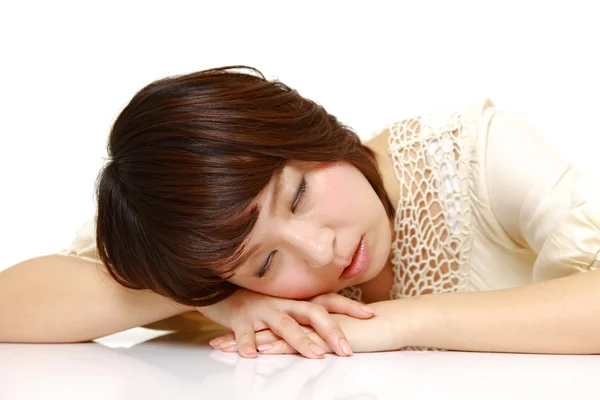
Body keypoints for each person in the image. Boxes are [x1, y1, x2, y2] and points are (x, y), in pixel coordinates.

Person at [2, 66, 600, 358]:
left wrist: (401, 324)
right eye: (265, 261)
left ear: (309, 130)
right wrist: (214, 292)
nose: (321, 251)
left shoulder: (473, 156)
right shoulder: (219, 260)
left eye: (298, 197)